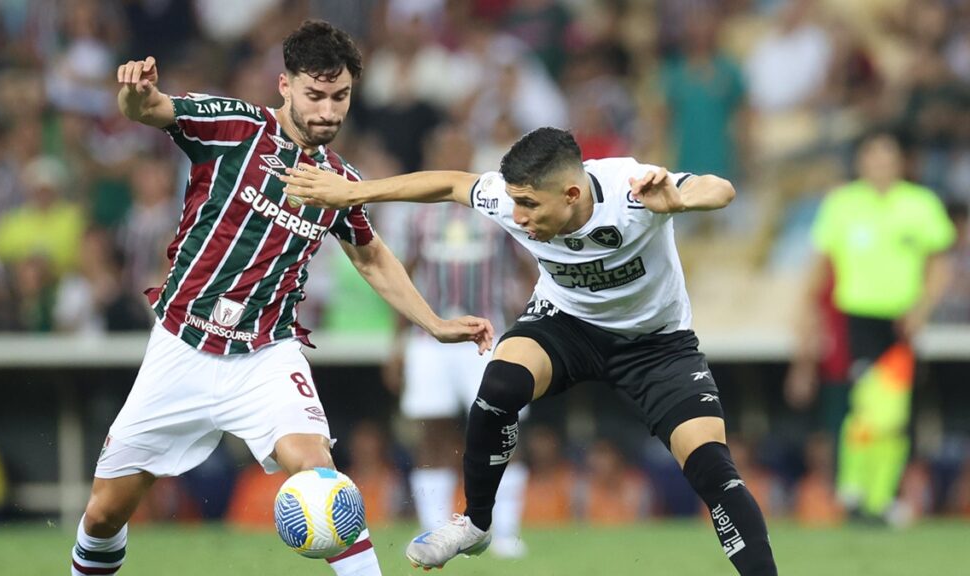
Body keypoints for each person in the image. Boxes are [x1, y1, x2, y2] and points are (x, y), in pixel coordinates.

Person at [70, 20, 493, 576]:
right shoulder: (234, 127)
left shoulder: (338, 179)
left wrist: (433, 322)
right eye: (314, 95)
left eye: (339, 97)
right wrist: (132, 93)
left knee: (321, 478)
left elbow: (370, 255)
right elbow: (149, 110)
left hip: (266, 353)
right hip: (182, 345)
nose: (327, 111)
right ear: (284, 86)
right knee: (104, 514)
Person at [281, 127, 779, 575]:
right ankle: (476, 524)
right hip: (566, 325)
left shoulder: (632, 189)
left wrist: (681, 200)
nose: (517, 217)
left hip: (656, 344)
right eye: (514, 202)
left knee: (714, 469)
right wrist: (354, 192)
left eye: (530, 206)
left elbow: (722, 189)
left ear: (571, 193)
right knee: (500, 383)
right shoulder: (510, 198)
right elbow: (450, 184)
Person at [785, 131, 955, 524]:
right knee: (863, 406)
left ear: (901, 162)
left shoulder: (920, 204)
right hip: (855, 319)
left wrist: (922, 307)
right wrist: (806, 312)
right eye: (872, 157)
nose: (879, 164)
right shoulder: (844, 204)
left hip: (900, 321)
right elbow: (820, 264)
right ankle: (856, 491)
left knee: (892, 413)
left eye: (887, 157)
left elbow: (941, 262)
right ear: (861, 162)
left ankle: (881, 497)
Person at [384, 124, 532, 558]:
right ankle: (435, 527)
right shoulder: (418, 213)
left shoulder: (498, 207)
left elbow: (526, 269)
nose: (452, 151)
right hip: (430, 338)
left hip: (487, 335)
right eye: (444, 146)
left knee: (503, 428)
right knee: (432, 431)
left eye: (458, 145)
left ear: (471, 152)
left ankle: (504, 531)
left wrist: (528, 325)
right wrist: (396, 345)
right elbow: (403, 275)